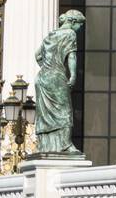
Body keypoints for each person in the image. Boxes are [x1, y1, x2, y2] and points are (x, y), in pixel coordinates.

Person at [34, 10, 86, 154]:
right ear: (73, 22)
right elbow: (72, 56)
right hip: (56, 77)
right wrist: (73, 75)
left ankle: (45, 146)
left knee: (45, 115)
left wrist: (46, 68)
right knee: (65, 112)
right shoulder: (70, 33)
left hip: (42, 78)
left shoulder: (50, 35)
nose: (79, 29)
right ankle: (65, 145)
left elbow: (37, 55)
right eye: (80, 26)